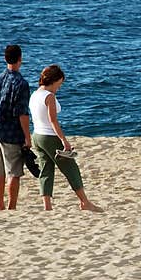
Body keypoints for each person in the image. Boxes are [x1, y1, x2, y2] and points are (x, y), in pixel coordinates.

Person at [29, 64, 103, 212]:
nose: (60, 86)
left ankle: (47, 206)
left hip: (37, 136)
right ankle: (84, 202)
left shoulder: (35, 94)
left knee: (46, 169)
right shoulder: (49, 96)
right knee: (70, 168)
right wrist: (64, 140)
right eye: (59, 83)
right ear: (53, 80)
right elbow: (53, 121)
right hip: (49, 136)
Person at [0, 44, 32, 210]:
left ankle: (0, 205)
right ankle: (12, 207)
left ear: (5, 59)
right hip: (11, 132)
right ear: (20, 59)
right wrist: (27, 137)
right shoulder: (21, 83)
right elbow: (22, 114)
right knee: (14, 171)